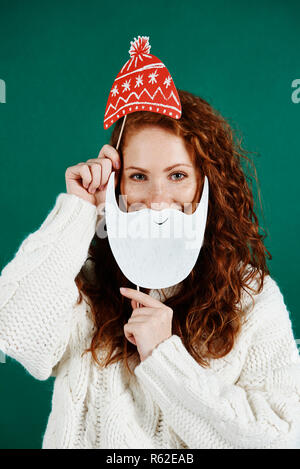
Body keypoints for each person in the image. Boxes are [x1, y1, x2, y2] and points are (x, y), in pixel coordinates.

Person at [0, 89, 300, 449]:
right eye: (139, 177)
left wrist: (164, 358)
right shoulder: (85, 275)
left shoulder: (251, 296)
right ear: (118, 185)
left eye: (176, 176)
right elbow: (14, 329)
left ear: (206, 184)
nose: (158, 201)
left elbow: (281, 439)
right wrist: (78, 211)